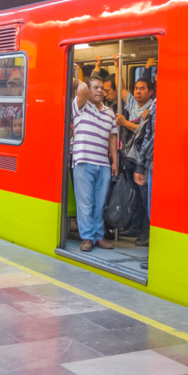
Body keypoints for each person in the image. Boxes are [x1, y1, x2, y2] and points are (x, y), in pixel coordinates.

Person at [72, 75, 118, 252]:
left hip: (103, 164)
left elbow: (112, 137)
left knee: (99, 203)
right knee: (85, 202)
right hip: (83, 161)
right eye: (96, 87)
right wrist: (81, 82)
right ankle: (87, 238)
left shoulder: (109, 112)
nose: (100, 90)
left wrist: (114, 161)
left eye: (102, 88)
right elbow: (82, 88)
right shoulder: (80, 106)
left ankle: (98, 236)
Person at [115, 77, 155, 244]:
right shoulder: (132, 102)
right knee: (135, 195)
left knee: (145, 197)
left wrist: (124, 123)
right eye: (136, 88)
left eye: (142, 88)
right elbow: (121, 89)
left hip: (143, 157)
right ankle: (136, 226)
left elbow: (146, 131)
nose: (138, 91)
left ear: (150, 92)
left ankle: (146, 233)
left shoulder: (152, 107)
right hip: (130, 156)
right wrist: (118, 65)